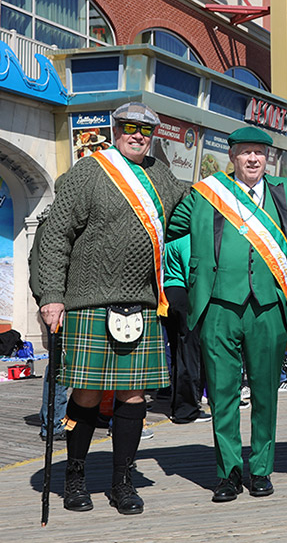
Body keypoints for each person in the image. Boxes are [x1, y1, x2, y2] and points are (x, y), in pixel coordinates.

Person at [37, 102, 186, 515]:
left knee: (134, 395)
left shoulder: (160, 174)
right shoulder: (89, 172)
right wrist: (51, 296)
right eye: (129, 127)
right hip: (88, 303)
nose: (137, 135)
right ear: (115, 129)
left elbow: (188, 212)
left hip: (139, 303)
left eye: (145, 129)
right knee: (85, 394)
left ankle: (122, 481)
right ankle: (76, 477)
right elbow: (54, 237)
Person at [167, 126, 287, 502]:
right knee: (222, 394)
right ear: (232, 156)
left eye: (260, 153)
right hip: (218, 305)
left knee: (267, 393)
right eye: (245, 153)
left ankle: (262, 469)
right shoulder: (206, 194)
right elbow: (168, 230)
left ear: (269, 159)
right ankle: (228, 473)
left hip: (268, 307)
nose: (253, 159)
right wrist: (183, 283)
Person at [29, 203, 68, 441]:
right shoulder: (57, 223)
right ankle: (53, 423)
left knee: (57, 362)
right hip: (59, 302)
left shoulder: (45, 222)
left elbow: (33, 264)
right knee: (60, 365)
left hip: (49, 299)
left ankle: (53, 419)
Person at [162, 235, 210, 424]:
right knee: (191, 354)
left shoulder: (168, 238)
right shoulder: (188, 238)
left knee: (177, 353)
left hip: (168, 293)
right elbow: (192, 272)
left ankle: (178, 404)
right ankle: (187, 408)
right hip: (184, 295)